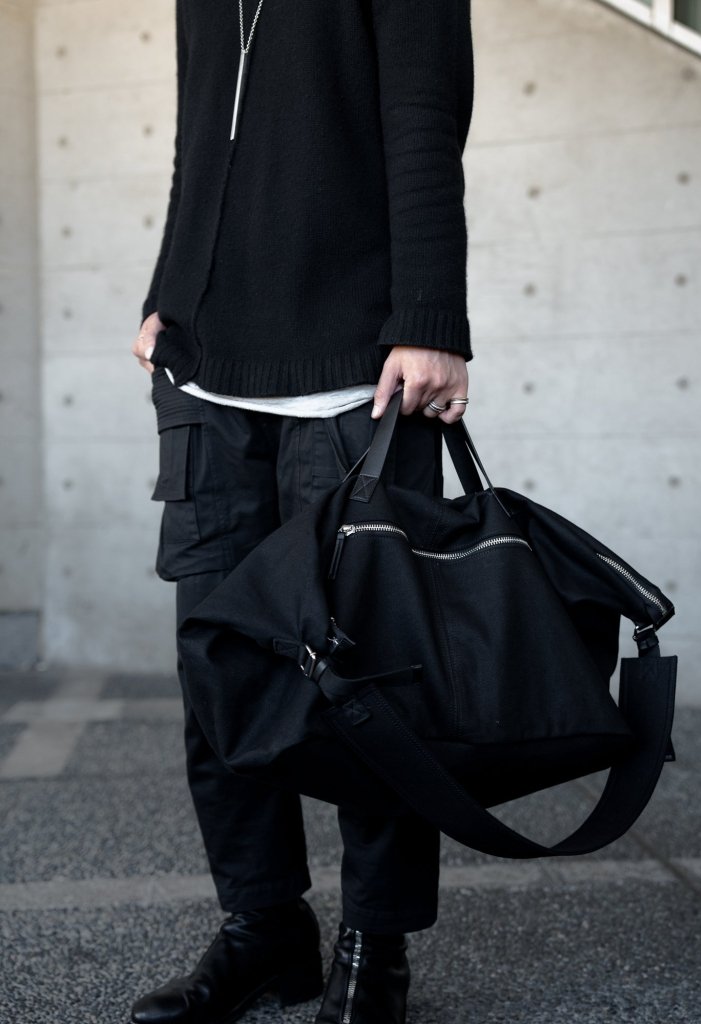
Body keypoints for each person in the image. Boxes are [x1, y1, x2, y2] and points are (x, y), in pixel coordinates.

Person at [129, 2, 474, 1023]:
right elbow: (200, 133)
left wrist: (431, 317)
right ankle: (263, 924)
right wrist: (166, 294)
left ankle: (376, 941)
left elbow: (424, 117)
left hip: (358, 370)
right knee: (218, 668)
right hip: (206, 366)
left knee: (372, 675)